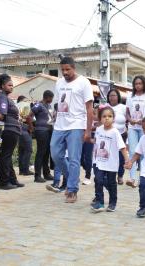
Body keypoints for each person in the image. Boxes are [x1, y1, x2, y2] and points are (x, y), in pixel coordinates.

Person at [50, 56, 94, 203]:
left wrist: (88, 131)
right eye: (62, 70)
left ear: (74, 68)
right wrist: (54, 116)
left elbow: (89, 108)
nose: (65, 72)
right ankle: (71, 178)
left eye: (68, 69)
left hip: (76, 125)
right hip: (59, 125)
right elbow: (58, 103)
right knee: (55, 154)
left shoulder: (84, 82)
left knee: (74, 159)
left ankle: (72, 190)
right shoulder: (59, 83)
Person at [91, 106, 128, 212]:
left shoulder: (115, 132)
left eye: (109, 116)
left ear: (113, 118)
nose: (107, 118)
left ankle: (112, 202)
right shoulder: (98, 129)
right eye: (104, 116)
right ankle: (100, 202)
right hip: (98, 162)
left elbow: (122, 147)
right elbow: (96, 143)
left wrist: (127, 160)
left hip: (111, 163)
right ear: (100, 118)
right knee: (98, 180)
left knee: (112, 182)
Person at [0, 74, 24, 190]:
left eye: (12, 85)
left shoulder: (6, 97)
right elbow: (0, 115)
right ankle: (4, 182)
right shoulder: (2, 97)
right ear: (2, 86)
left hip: (12, 129)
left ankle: (12, 180)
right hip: (9, 129)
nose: (12, 87)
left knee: (7, 156)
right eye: (9, 85)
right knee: (5, 156)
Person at [125, 75, 145, 188]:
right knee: (132, 151)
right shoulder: (130, 97)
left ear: (144, 84)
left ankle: (143, 178)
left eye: (140, 83)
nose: (138, 86)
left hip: (144, 129)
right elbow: (127, 112)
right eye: (136, 84)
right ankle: (132, 179)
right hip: (132, 128)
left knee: (143, 153)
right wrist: (130, 120)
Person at [28, 90, 54, 183]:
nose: (52, 100)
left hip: (48, 131)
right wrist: (31, 127)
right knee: (40, 153)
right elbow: (29, 116)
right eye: (51, 98)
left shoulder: (48, 106)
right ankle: (37, 175)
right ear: (47, 97)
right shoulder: (38, 105)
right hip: (41, 131)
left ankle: (46, 174)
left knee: (46, 152)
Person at [107, 89, 127, 185]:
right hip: (108, 136)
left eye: (114, 95)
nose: (112, 97)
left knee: (120, 157)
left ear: (118, 96)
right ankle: (110, 175)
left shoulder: (123, 107)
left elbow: (128, 119)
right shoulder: (105, 107)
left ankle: (120, 175)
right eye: (110, 95)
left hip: (121, 134)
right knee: (110, 156)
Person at [17, 95, 33, 176]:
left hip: (17, 128)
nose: (27, 101)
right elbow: (28, 117)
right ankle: (26, 170)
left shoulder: (16, 106)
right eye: (26, 100)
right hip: (24, 127)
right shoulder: (25, 105)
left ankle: (21, 170)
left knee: (21, 150)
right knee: (28, 149)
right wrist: (30, 127)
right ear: (22, 100)